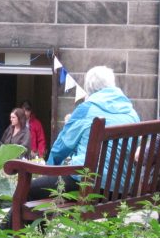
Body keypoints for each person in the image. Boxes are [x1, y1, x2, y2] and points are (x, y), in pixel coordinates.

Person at [34, 66, 140, 201]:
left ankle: (6, 224)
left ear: (88, 88)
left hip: (88, 183)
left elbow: (61, 147)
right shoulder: (131, 112)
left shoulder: (87, 108)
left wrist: (48, 171)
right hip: (121, 188)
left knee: (28, 190)